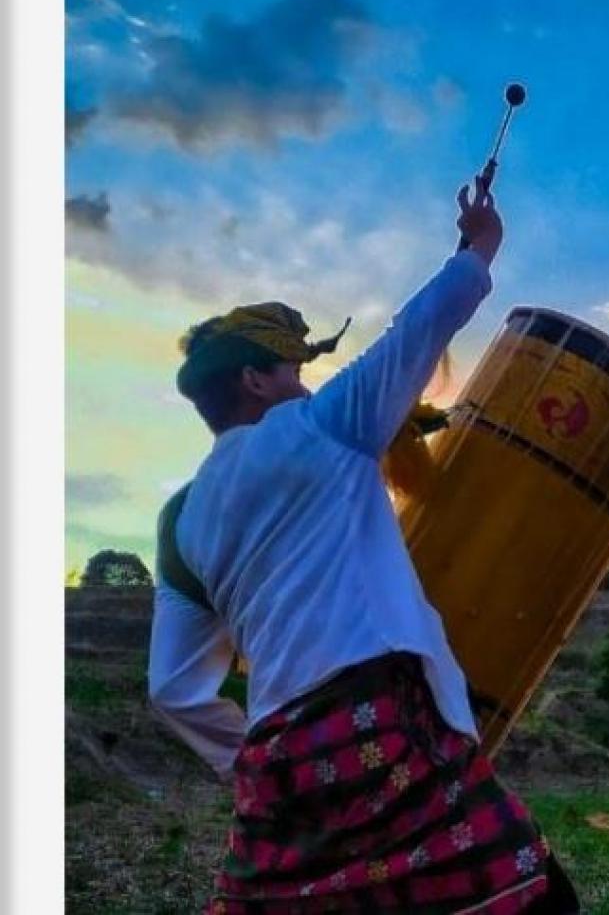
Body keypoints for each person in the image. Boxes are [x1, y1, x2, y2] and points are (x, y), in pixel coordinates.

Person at [148, 173, 580, 913]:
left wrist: (247, 758)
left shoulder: (180, 519)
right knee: (529, 893)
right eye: (293, 370)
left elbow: (171, 689)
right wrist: (480, 246)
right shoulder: (320, 428)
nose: (304, 384)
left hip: (278, 760)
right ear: (255, 380)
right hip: (374, 720)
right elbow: (416, 331)